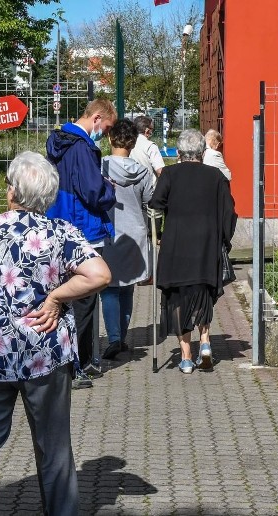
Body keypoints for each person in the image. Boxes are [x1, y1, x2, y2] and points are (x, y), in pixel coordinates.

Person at [0, 151, 111, 516]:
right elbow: (100, 275)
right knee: (54, 446)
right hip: (45, 354)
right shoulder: (61, 232)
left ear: (12, 192)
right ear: (47, 198)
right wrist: (56, 297)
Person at [148, 129, 236, 374]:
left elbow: (155, 206)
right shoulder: (215, 176)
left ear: (178, 153)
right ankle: (205, 341)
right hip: (206, 244)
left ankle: (186, 357)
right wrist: (223, 239)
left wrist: (155, 233)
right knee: (203, 292)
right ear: (202, 152)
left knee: (177, 296)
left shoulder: (170, 174)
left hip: (176, 244)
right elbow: (229, 211)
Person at [46, 99, 117, 388]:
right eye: (107, 127)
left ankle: (61, 360)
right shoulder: (83, 147)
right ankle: (81, 363)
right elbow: (92, 191)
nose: (106, 133)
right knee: (85, 300)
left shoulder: (58, 140)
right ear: (97, 118)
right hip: (84, 228)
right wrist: (108, 188)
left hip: (58, 224)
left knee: (60, 298)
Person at [98, 119, 154, 360]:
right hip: (135, 232)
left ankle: (112, 338)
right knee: (128, 288)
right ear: (133, 143)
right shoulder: (142, 171)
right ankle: (121, 337)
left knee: (109, 288)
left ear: (110, 139)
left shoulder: (100, 168)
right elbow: (149, 199)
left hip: (109, 232)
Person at [130, 116, 166, 243]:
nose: (151, 132)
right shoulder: (150, 146)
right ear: (146, 130)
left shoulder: (129, 143)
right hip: (149, 190)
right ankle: (154, 239)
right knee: (153, 220)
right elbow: (160, 170)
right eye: (152, 129)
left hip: (131, 190)